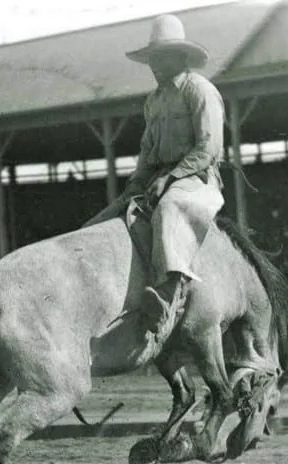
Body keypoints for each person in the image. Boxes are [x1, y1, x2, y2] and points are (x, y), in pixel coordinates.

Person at [87, 14, 225, 342]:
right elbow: (147, 152)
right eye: (151, 58)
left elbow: (209, 146)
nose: (154, 65)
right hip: (160, 178)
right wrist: (135, 185)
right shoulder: (154, 101)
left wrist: (172, 177)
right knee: (102, 219)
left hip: (197, 178)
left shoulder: (200, 91)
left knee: (169, 208)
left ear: (180, 56)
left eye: (160, 57)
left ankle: (169, 290)